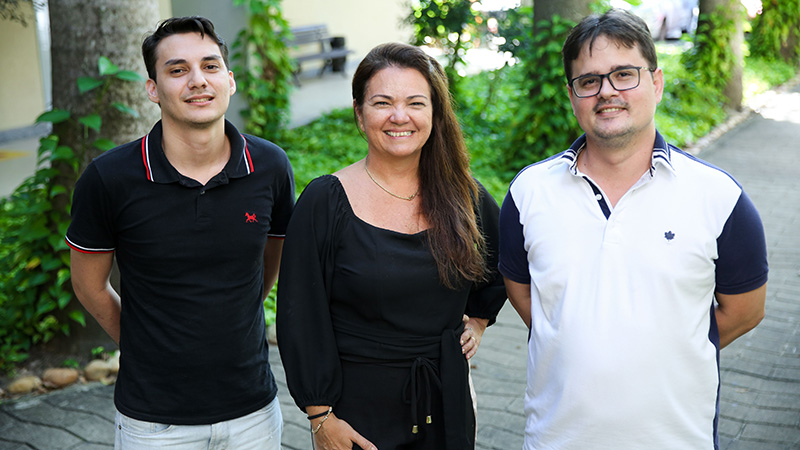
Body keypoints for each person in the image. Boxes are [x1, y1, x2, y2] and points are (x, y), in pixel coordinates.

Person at [498, 9, 768, 450]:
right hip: (555, 438)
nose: (607, 92)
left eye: (624, 74)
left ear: (656, 83)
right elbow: (529, 298)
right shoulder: (530, 193)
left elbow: (745, 311)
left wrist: (669, 344)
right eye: (589, 81)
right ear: (573, 96)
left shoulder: (718, 197)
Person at [66, 16, 294, 449]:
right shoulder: (108, 178)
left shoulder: (270, 166)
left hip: (254, 413)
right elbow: (88, 286)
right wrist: (147, 346)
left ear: (228, 79)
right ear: (153, 88)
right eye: (177, 70)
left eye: (210, 67)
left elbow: (267, 265)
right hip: (154, 423)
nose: (197, 81)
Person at [276, 42, 506, 450]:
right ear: (359, 114)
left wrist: (479, 321)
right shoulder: (325, 202)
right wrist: (320, 417)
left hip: (445, 401)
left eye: (415, 103)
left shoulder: (463, 196)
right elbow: (300, 317)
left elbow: (500, 262)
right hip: (355, 417)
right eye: (383, 102)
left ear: (434, 113)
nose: (400, 116)